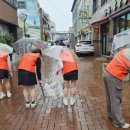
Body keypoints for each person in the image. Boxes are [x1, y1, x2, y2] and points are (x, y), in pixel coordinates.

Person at [103, 48, 130, 128]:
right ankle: (118, 122)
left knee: (110, 97)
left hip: (107, 72)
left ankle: (111, 114)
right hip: (114, 76)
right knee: (115, 99)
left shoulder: (125, 50)